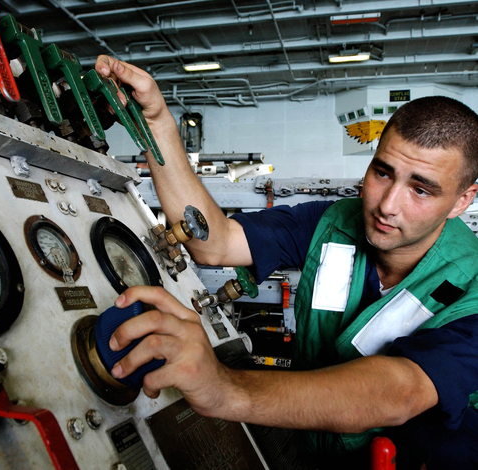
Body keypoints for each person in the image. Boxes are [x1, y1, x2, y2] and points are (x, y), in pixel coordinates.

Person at [95, 56, 478, 469]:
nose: (387, 205)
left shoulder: (472, 285)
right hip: (308, 452)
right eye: (383, 173)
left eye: (421, 190)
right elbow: (215, 243)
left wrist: (224, 387)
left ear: (462, 200)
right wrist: (159, 125)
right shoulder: (332, 224)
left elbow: (400, 390)